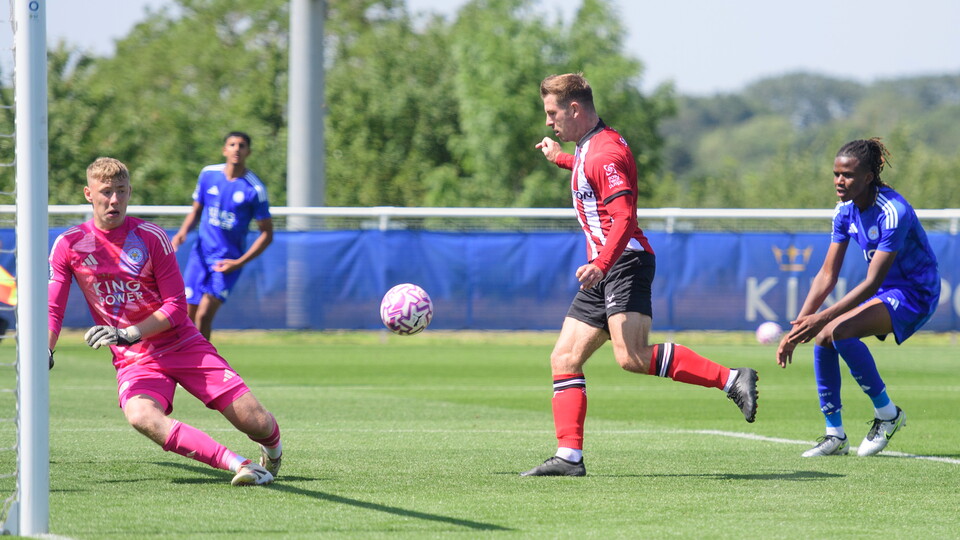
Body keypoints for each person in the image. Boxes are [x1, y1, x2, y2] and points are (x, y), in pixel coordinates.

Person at [521, 73, 758, 477]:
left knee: (631, 357)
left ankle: (732, 378)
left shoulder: (604, 152)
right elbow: (586, 170)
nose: (549, 122)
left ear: (574, 109)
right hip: (606, 267)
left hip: (622, 263)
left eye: (552, 113)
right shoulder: (589, 148)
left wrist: (601, 264)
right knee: (564, 357)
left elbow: (624, 217)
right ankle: (568, 457)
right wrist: (558, 156)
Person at [48, 157, 283, 486]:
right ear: (89, 194)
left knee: (255, 421)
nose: (113, 200)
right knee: (141, 416)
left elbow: (175, 307)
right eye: (105, 192)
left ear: (129, 192)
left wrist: (129, 332)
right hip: (136, 361)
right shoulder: (69, 245)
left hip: (181, 343)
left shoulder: (150, 237)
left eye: (120, 191)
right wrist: (46, 349)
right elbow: (52, 309)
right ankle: (239, 464)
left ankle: (272, 451)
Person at [776, 138, 939, 458]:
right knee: (824, 337)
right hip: (886, 292)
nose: (839, 180)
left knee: (838, 330)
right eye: (836, 173)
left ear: (868, 176)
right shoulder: (844, 212)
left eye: (848, 175)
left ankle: (888, 415)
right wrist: (799, 327)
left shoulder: (893, 212)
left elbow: (872, 281)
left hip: (915, 292)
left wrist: (821, 317)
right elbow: (826, 275)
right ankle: (834, 435)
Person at [172, 131, 273, 340]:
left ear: (248, 152)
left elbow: (267, 234)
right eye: (232, 144)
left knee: (205, 313)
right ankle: (183, 362)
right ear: (224, 150)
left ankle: (203, 365)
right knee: (187, 314)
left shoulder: (254, 189)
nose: (237, 149)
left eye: (242, 145)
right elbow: (196, 211)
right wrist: (182, 233)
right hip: (200, 256)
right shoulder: (208, 175)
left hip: (227, 261)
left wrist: (239, 262)